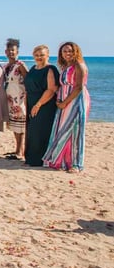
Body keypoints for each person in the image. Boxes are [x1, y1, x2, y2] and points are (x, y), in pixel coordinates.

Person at [43, 42, 91, 172]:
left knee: (75, 129)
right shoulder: (65, 67)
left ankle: (76, 164)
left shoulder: (79, 66)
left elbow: (79, 87)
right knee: (62, 128)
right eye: (64, 51)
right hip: (64, 98)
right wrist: (60, 99)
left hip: (76, 100)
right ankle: (62, 160)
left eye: (70, 51)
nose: (67, 54)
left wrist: (65, 102)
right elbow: (62, 85)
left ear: (75, 52)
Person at [23, 45, 60, 167]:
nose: (39, 57)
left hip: (44, 104)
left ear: (47, 55)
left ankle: (41, 160)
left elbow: (51, 89)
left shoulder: (50, 69)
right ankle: (31, 159)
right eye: (37, 55)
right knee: (32, 132)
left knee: (41, 132)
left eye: (42, 55)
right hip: (31, 102)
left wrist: (38, 104)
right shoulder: (33, 68)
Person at [3, 38, 27, 160]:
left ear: (17, 51)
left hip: (19, 99)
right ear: (6, 52)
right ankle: (18, 149)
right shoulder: (7, 66)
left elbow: (28, 81)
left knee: (21, 126)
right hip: (10, 99)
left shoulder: (20, 65)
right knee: (14, 125)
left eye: (13, 50)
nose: (11, 52)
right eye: (9, 50)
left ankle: (20, 151)